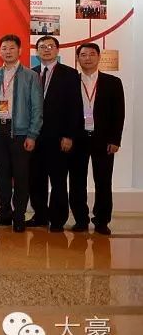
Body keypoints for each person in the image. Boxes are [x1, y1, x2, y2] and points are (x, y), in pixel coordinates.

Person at [0, 35, 43, 233]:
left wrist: (32, 134)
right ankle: (4, 214)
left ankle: (19, 216)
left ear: (20, 51)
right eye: (4, 48)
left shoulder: (30, 76)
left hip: (20, 132)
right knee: (2, 176)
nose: (7, 52)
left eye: (11, 48)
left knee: (20, 177)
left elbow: (37, 108)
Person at [68, 43, 125, 235]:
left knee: (103, 181)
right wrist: (67, 136)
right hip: (77, 139)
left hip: (103, 140)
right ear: (78, 58)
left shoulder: (113, 82)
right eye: (83, 55)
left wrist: (115, 139)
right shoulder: (71, 82)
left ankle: (102, 220)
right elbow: (65, 112)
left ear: (99, 57)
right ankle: (81, 220)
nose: (88, 58)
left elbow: (119, 113)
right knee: (77, 182)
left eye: (92, 54)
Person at [30, 36, 84, 232]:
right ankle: (40, 215)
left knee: (58, 180)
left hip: (59, 137)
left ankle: (58, 219)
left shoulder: (70, 74)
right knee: (36, 179)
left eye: (50, 46)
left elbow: (75, 107)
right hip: (35, 136)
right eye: (42, 47)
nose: (46, 49)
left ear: (57, 50)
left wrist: (69, 135)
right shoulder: (31, 73)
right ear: (37, 51)